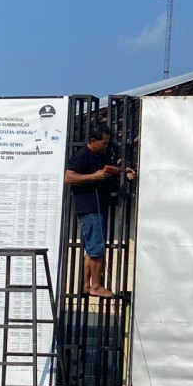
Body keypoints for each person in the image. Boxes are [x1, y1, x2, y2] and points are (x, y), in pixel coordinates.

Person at [64, 124, 134, 298]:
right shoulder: (82, 155)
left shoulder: (99, 155)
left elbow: (107, 169)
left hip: (96, 207)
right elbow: (69, 177)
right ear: (92, 141)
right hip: (89, 208)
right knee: (96, 249)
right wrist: (93, 177)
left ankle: (86, 286)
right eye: (103, 143)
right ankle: (96, 285)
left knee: (91, 249)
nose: (106, 146)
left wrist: (123, 171)